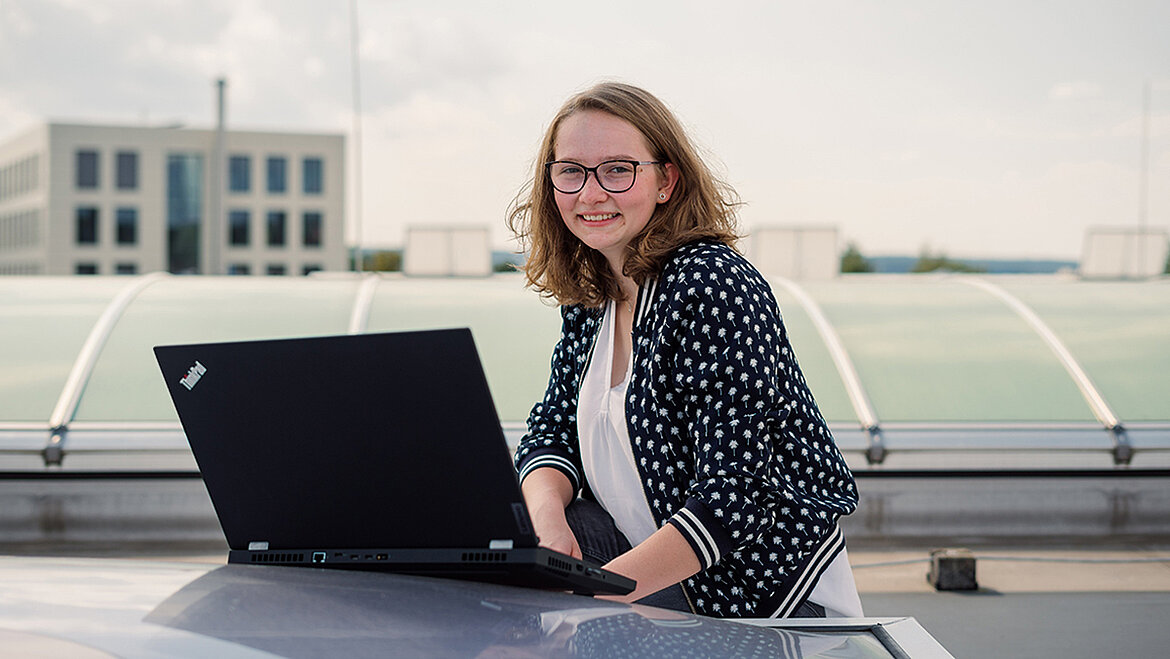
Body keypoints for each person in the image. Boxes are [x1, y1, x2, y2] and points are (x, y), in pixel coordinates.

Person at [506, 81, 862, 619]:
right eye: (571, 170)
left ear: (666, 180)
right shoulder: (593, 296)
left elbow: (733, 494)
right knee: (505, 540)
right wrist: (548, 527)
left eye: (618, 169)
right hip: (647, 572)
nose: (591, 193)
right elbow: (550, 431)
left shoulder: (711, 284)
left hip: (758, 597)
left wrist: (592, 596)